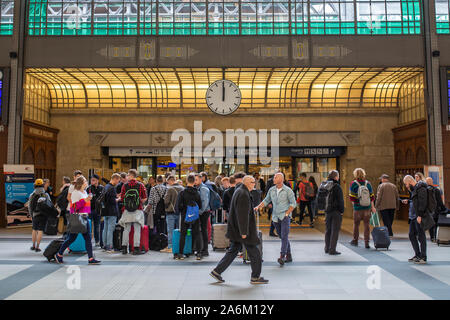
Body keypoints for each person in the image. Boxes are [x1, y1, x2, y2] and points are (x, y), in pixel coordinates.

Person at [210, 176, 268, 284]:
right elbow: (242, 215)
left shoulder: (240, 191)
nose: (254, 184)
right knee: (254, 252)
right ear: (247, 183)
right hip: (242, 231)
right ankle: (255, 277)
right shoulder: (243, 194)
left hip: (236, 230)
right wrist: (244, 232)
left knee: (233, 251)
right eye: (252, 182)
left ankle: (217, 271)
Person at [55, 176, 101, 265]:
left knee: (87, 238)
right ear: (81, 183)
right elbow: (74, 207)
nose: (87, 182)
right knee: (71, 238)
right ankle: (59, 254)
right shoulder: (76, 193)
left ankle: (91, 258)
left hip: (85, 217)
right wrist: (85, 200)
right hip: (77, 218)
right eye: (85, 181)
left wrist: (88, 200)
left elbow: (85, 204)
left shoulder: (84, 192)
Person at [255, 172, 296, 266]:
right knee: (282, 236)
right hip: (275, 218)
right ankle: (289, 255)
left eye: (275, 177)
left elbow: (293, 204)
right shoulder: (272, 189)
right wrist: (258, 207)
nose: (273, 179)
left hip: (285, 217)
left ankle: (282, 256)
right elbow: (266, 200)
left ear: (281, 179)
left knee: (284, 236)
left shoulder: (288, 190)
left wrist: (287, 213)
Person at [118, 169, 148, 255]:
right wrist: (139, 202)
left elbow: (122, 197)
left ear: (130, 175)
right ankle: (136, 248)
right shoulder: (140, 185)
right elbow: (144, 198)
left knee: (126, 229)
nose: (127, 176)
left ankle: (124, 248)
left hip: (127, 210)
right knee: (137, 229)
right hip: (138, 209)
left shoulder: (125, 185)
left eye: (128, 175)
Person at [175, 174, 203, 260]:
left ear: (186, 181)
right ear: (194, 181)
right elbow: (200, 205)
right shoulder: (197, 192)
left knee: (183, 234)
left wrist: (180, 211)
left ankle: (180, 254)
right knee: (197, 233)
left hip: (185, 215)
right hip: (195, 216)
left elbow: (178, 206)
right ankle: (198, 254)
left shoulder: (182, 192)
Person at [403, 175, 428, 264]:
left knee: (421, 236)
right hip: (413, 216)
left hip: (418, 216)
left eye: (406, 184)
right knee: (411, 235)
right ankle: (417, 254)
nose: (406, 186)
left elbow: (423, 203)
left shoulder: (421, 188)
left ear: (410, 181)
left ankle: (423, 256)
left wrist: (420, 215)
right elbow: (415, 200)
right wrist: (409, 201)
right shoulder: (414, 189)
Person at [349, 168, 376, 249]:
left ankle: (355, 240)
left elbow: (352, 197)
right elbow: (372, 197)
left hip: (357, 208)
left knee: (356, 224)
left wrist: (355, 206)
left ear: (355, 174)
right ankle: (366, 243)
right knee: (366, 225)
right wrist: (373, 207)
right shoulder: (368, 183)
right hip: (367, 208)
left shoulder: (353, 184)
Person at [323, 170, 345, 255]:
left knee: (328, 230)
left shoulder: (325, 185)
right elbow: (341, 200)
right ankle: (332, 249)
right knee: (335, 230)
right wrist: (342, 211)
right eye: (338, 176)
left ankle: (326, 248)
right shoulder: (337, 186)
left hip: (327, 211)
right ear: (336, 177)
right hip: (336, 211)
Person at [162, 175, 184, 253]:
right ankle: (178, 245)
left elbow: (166, 201)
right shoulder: (182, 188)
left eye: (168, 182)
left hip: (171, 212)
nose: (167, 183)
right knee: (179, 229)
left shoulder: (170, 189)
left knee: (170, 230)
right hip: (180, 212)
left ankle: (170, 246)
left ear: (170, 181)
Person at [28, 179, 51, 252]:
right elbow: (50, 204)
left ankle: (33, 246)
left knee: (34, 230)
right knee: (40, 230)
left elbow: (30, 206)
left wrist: (31, 215)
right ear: (42, 185)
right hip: (43, 215)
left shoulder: (32, 195)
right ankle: (38, 247)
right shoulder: (46, 194)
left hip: (35, 214)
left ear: (35, 186)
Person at [102, 173, 120, 253]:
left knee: (105, 228)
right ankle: (109, 246)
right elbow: (113, 201)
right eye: (118, 181)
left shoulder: (106, 187)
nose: (118, 183)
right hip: (112, 211)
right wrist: (119, 199)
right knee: (110, 229)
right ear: (115, 179)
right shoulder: (112, 188)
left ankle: (105, 245)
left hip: (105, 210)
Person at [195, 173, 211, 258]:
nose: (194, 181)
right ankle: (202, 249)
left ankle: (205, 250)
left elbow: (205, 202)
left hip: (204, 212)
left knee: (203, 230)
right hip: (202, 211)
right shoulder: (197, 188)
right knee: (202, 230)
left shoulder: (203, 188)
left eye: (196, 179)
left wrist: (200, 212)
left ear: (201, 180)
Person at [426, 177, 446, 242]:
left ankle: (432, 237)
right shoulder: (437, 190)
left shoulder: (424, 190)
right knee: (436, 224)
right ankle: (436, 237)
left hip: (428, 210)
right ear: (432, 182)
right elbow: (440, 201)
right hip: (436, 210)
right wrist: (444, 209)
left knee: (430, 225)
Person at [87, 174, 104, 247]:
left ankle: (97, 241)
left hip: (98, 210)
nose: (92, 181)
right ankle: (89, 240)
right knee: (89, 226)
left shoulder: (101, 188)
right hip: (90, 209)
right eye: (91, 180)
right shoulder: (89, 188)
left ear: (97, 181)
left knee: (97, 226)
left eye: (93, 180)